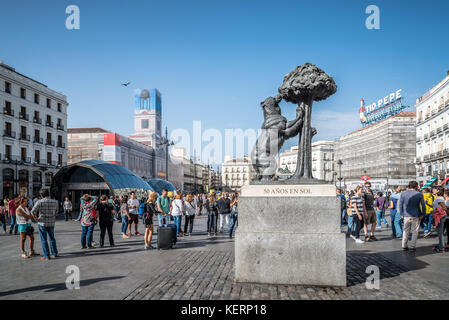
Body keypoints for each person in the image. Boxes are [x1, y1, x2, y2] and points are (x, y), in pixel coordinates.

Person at [31, 189, 59, 260]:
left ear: (41, 195)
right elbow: (56, 212)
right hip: (51, 223)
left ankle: (46, 255)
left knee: (44, 239)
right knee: (52, 238)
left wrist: (36, 218)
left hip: (42, 222)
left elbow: (32, 211)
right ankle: (54, 253)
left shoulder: (39, 202)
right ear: (48, 194)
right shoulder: (55, 202)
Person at [399, 181, 425, 251]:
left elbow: (400, 205)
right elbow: (423, 205)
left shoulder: (403, 194)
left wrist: (401, 214)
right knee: (415, 231)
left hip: (406, 215)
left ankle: (404, 245)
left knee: (405, 230)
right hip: (416, 215)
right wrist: (423, 214)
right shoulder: (419, 194)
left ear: (409, 186)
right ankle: (412, 246)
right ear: (416, 186)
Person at [432, 188, 446, 252]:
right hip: (438, 216)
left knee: (440, 233)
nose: (433, 190)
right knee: (440, 232)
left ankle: (441, 248)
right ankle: (441, 246)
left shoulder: (440, 199)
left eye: (435, 189)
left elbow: (444, 207)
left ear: (438, 191)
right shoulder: (438, 199)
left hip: (440, 217)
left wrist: (437, 211)